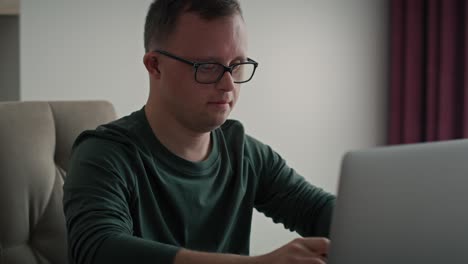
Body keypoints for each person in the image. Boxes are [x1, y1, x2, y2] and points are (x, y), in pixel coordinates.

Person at [63, 0, 336, 263]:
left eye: (237, 65)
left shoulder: (244, 153)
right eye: (208, 67)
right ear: (155, 66)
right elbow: (97, 250)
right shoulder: (103, 154)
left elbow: (319, 211)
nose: (228, 84)